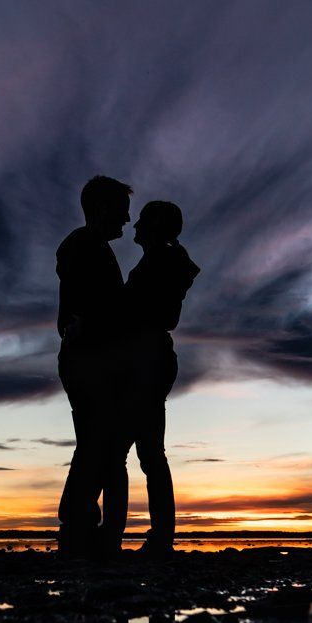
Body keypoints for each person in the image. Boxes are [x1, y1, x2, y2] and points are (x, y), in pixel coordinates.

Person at [55, 175, 132, 558]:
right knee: (97, 445)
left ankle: (87, 528)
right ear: (102, 209)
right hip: (89, 360)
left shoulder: (90, 246)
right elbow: (91, 308)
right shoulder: (83, 246)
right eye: (121, 212)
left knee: (98, 444)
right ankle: (77, 525)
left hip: (92, 358)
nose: (127, 220)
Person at [122, 200, 199, 557]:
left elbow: (146, 312)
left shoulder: (162, 262)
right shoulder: (162, 261)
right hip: (149, 357)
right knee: (148, 452)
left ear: (155, 228)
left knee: (145, 451)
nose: (133, 227)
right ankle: (159, 536)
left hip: (147, 359)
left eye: (141, 222)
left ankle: (159, 537)